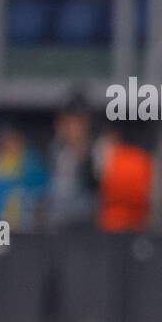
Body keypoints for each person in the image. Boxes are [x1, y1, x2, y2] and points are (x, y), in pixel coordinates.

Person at [0, 125, 47, 247]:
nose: (8, 144)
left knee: (14, 259)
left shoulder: (31, 163)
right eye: (4, 139)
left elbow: (39, 193)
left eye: (12, 139)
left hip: (22, 229)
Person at [45, 94, 98, 228]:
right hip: (56, 215)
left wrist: (81, 152)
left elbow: (94, 185)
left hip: (82, 217)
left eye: (76, 122)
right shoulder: (56, 149)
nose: (71, 128)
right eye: (66, 122)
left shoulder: (95, 149)